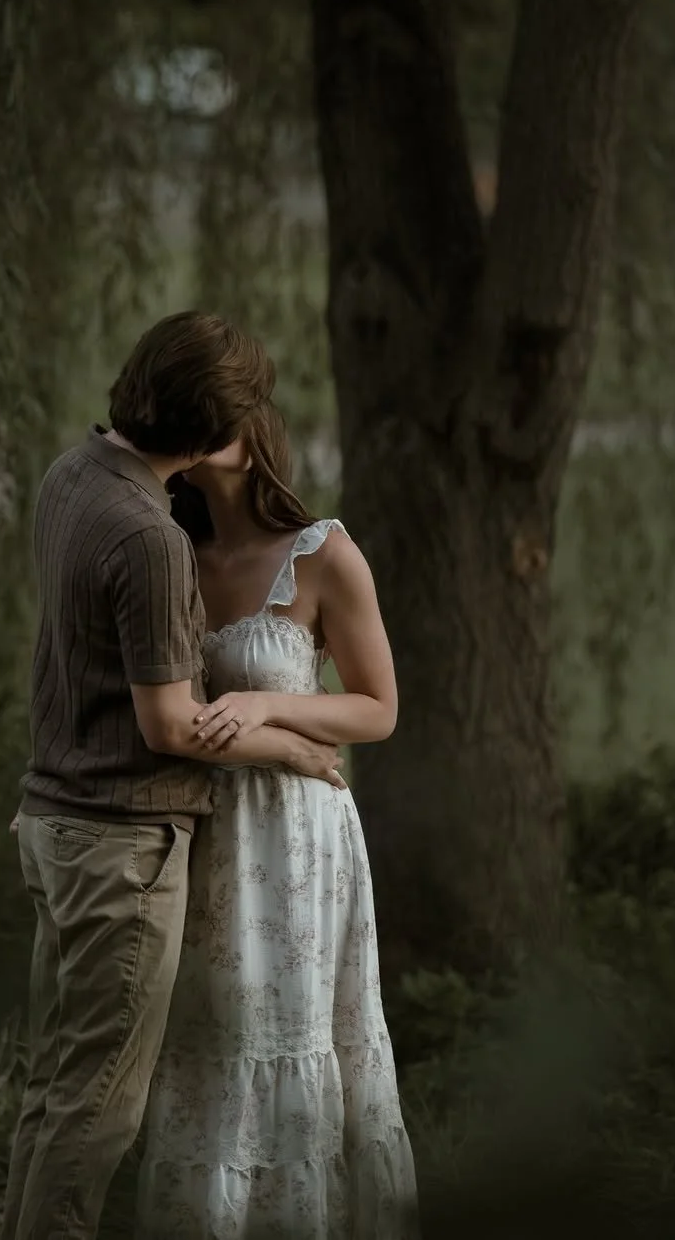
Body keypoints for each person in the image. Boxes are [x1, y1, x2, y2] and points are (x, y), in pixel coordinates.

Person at [0, 314, 348, 1240]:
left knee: (56, 1088)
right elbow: (168, 722)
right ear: (204, 439)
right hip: (120, 845)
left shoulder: (72, 475)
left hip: (54, 821)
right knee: (97, 1110)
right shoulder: (152, 539)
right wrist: (295, 746)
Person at [135, 398, 419, 1240]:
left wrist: (263, 701)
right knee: (215, 1035)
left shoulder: (323, 552)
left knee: (298, 1036)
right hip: (207, 828)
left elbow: (379, 710)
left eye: (220, 413)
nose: (204, 429)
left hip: (300, 840)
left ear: (258, 429)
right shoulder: (170, 554)